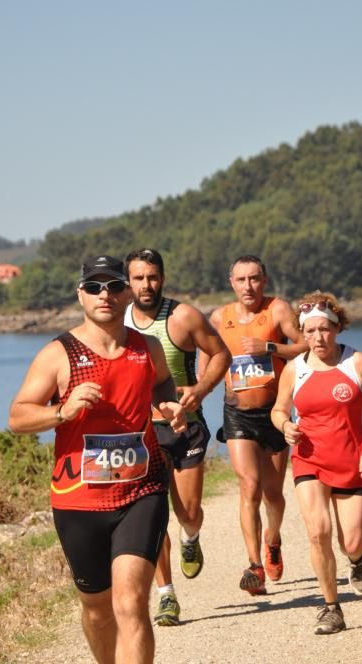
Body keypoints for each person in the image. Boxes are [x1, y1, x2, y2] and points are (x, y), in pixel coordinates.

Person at [8, 255, 186, 664]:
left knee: (131, 603)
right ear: (81, 295)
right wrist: (61, 412)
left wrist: (168, 404)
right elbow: (17, 416)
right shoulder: (58, 354)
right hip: (78, 501)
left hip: (142, 489)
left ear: (127, 293)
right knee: (97, 608)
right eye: (94, 287)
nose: (104, 294)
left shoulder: (148, 347)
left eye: (113, 286)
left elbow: (161, 383)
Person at [271, 292, 362, 635]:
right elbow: (279, 409)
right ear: (302, 333)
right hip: (309, 459)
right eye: (310, 331)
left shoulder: (357, 363)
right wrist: (285, 425)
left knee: (350, 541)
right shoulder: (295, 369)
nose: (318, 338)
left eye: (324, 329)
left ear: (337, 328)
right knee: (317, 532)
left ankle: (357, 560)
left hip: (353, 460)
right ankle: (331, 608)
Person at [123, 248, 231, 626]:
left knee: (187, 512)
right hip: (141, 431)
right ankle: (166, 595)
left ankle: (191, 537)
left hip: (185, 426)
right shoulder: (117, 322)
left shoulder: (183, 316)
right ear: (128, 281)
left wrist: (199, 391)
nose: (146, 285)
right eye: (138, 278)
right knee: (153, 515)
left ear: (162, 278)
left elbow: (221, 354)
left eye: (152, 277)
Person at [207, 255, 307, 595]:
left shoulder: (278, 309)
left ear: (263, 280)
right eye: (241, 280)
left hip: (274, 413)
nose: (247, 286)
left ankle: (273, 539)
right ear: (231, 282)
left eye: (254, 279)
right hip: (237, 414)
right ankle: (254, 566)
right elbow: (208, 362)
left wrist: (271, 347)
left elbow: (306, 345)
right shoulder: (220, 317)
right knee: (249, 485)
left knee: (273, 494)